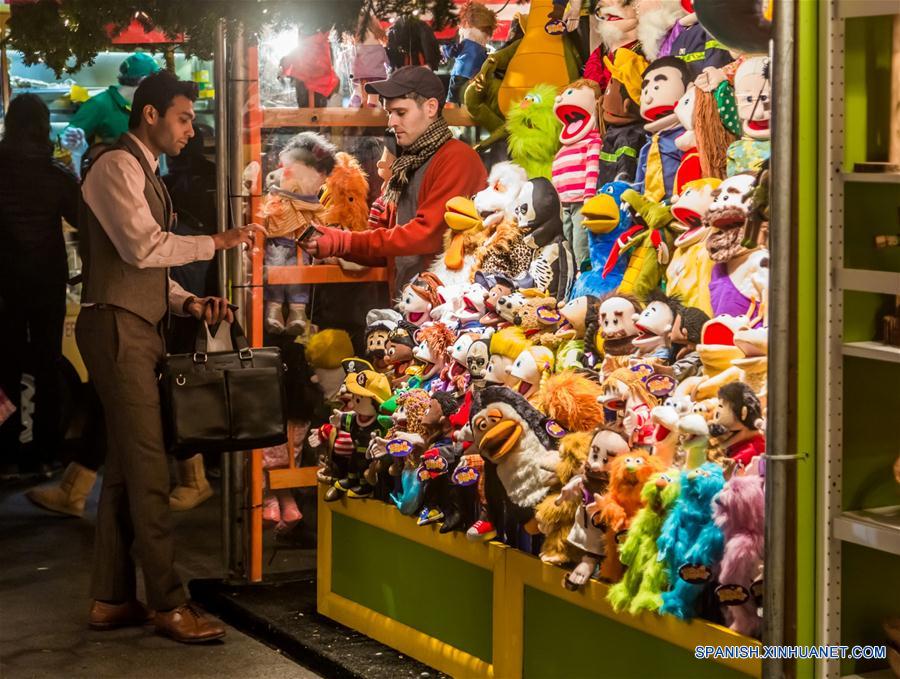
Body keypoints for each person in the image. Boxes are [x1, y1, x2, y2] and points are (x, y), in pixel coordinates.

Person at [75, 70, 263, 643]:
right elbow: (143, 247)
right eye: (183, 117)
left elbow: (146, 267)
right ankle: (169, 602)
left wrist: (188, 303)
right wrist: (219, 241)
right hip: (116, 329)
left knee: (128, 471)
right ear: (151, 115)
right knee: (151, 469)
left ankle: (111, 598)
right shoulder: (113, 167)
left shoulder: (146, 171)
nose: (190, 129)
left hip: (137, 325)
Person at [300, 66, 487, 289]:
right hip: (411, 305)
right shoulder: (405, 168)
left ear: (430, 107)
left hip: (449, 305)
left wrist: (344, 241)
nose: (391, 122)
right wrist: (336, 243)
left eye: (400, 113)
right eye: (389, 113)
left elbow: (425, 235)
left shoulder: (457, 159)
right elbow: (388, 248)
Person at [0, 94, 80, 475]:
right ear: (44, 126)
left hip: (5, 285)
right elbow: (85, 217)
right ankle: (46, 451)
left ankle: (9, 450)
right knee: (47, 363)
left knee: (7, 363)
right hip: (47, 281)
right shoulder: (55, 174)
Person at [60, 52, 162, 174]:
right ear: (144, 81)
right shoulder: (99, 104)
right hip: (109, 180)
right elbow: (65, 141)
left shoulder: (145, 106)